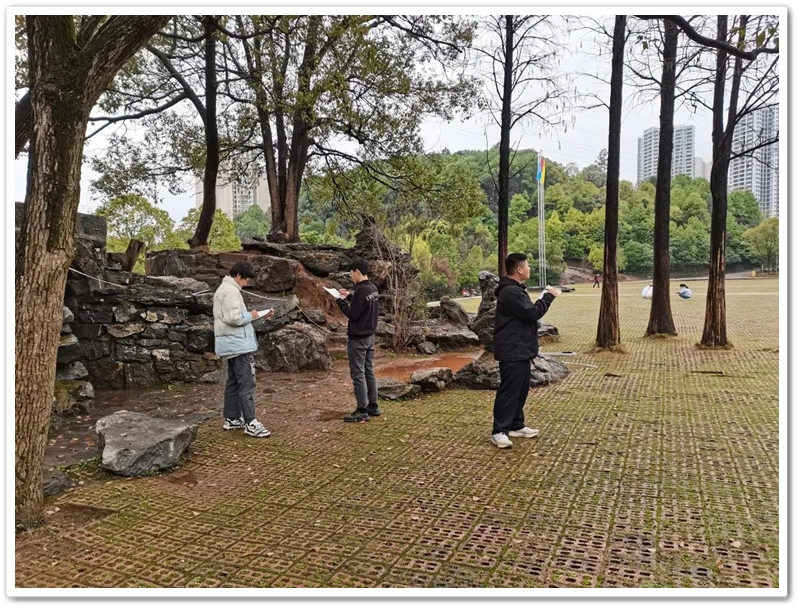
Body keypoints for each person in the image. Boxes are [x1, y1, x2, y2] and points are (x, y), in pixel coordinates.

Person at [491, 253, 560, 449]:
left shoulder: (515, 290)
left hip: (520, 349)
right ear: (519, 270)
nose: (529, 269)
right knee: (509, 391)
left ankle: (515, 425)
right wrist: (548, 296)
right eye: (527, 266)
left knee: (520, 390)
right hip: (512, 349)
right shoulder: (511, 292)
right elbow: (532, 313)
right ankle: (499, 431)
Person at [214, 261, 273, 438]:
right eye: (245, 279)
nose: (246, 283)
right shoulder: (231, 291)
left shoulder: (223, 289)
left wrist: (260, 316)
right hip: (238, 345)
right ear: (238, 275)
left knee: (234, 381)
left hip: (231, 344)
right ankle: (250, 422)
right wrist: (251, 315)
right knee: (247, 382)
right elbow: (234, 318)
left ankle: (232, 417)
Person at [336, 258, 381, 423]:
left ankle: (362, 410)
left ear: (357, 272)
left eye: (351, 273)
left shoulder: (361, 290)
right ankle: (373, 405)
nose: (351, 277)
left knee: (358, 373)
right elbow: (361, 306)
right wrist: (349, 296)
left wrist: (339, 301)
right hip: (370, 336)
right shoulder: (372, 288)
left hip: (358, 338)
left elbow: (353, 314)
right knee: (369, 370)